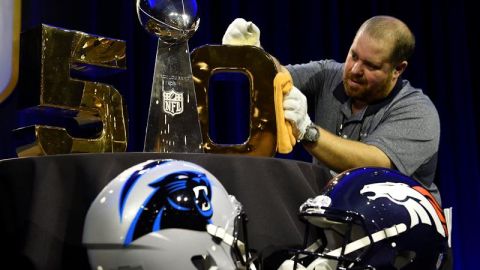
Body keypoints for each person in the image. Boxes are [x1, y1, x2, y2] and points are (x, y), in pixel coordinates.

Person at [222, 16, 441, 202]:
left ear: (397, 69)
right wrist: (254, 55)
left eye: (371, 66)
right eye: (353, 55)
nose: (355, 70)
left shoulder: (418, 111)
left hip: (402, 238)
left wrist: (307, 131)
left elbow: (374, 165)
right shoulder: (329, 75)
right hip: (336, 220)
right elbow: (278, 80)